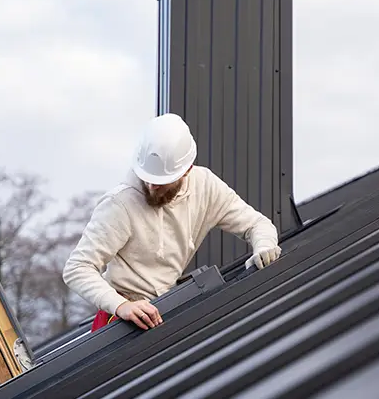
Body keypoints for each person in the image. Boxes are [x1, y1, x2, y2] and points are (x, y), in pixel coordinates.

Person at [62, 113, 282, 332]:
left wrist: (264, 247)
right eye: (147, 179)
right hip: (118, 319)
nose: (151, 187)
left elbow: (257, 224)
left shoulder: (205, 187)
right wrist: (122, 305)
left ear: (187, 170)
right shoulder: (120, 204)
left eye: (161, 182)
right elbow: (77, 268)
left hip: (164, 310)